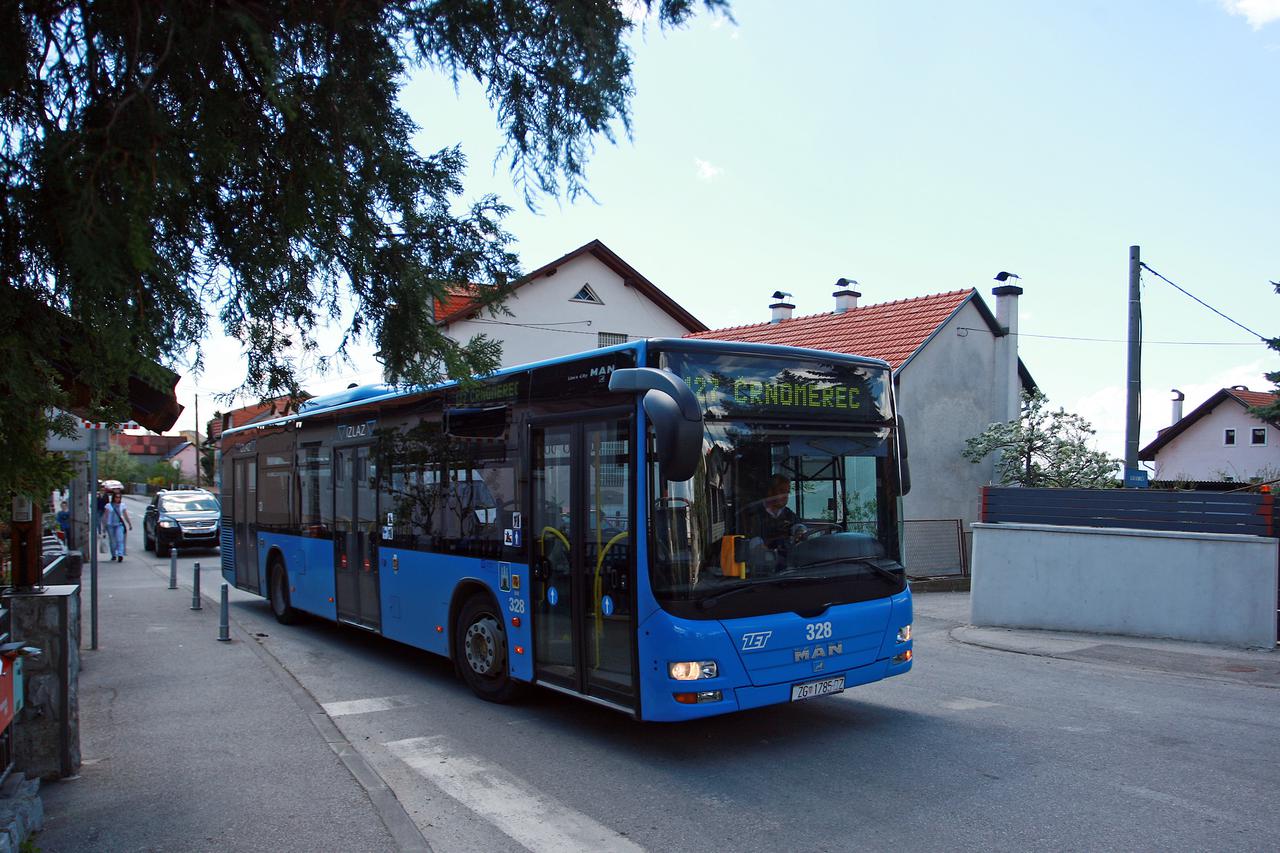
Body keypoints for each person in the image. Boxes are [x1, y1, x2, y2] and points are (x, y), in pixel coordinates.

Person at [741, 474, 799, 560]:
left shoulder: (789, 515)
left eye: (787, 492)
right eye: (782, 491)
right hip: (759, 565)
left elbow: (800, 531)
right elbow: (749, 540)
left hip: (787, 564)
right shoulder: (751, 513)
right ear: (770, 491)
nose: (785, 496)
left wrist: (798, 532)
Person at [102, 492, 132, 562]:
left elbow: (125, 515)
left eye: (119, 497)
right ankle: (113, 554)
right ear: (113, 498)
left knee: (120, 540)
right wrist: (104, 527)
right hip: (110, 525)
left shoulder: (122, 505)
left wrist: (129, 524)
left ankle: (120, 554)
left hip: (119, 525)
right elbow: (105, 516)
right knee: (112, 541)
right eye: (116, 497)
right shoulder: (108, 506)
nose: (117, 499)